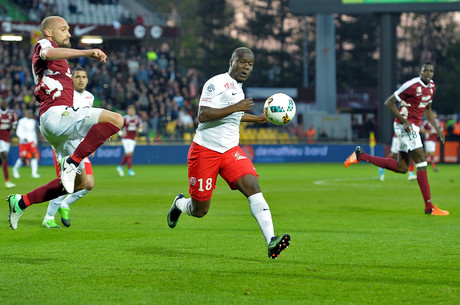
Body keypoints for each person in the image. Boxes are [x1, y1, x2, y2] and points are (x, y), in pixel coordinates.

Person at [167, 47, 290, 259]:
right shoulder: (216, 83)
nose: (246, 67)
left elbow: (233, 116)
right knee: (200, 210)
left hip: (230, 150)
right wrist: (237, 107)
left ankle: (271, 241)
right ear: (231, 61)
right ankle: (179, 203)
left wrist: (256, 118)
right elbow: (203, 115)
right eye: (242, 62)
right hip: (205, 151)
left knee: (253, 186)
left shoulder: (238, 89)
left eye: (250, 64)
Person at [7, 16, 124, 230]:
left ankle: (21, 202)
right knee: (117, 119)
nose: (69, 33)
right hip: (55, 116)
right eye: (64, 29)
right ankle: (72, 161)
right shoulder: (44, 44)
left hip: (60, 123)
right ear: (49, 32)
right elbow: (48, 53)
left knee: (78, 184)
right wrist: (87, 52)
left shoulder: (62, 63)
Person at [345, 61, 449, 216]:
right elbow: (389, 102)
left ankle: (361, 156)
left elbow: (427, 109)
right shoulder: (411, 85)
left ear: (433, 73)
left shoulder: (432, 87)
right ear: (420, 72)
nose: (428, 73)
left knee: (403, 168)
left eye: (430, 71)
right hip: (404, 125)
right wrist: (404, 120)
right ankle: (429, 208)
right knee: (421, 161)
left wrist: (435, 128)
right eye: (425, 70)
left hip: (412, 126)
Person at [42, 67, 96, 228]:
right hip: (66, 143)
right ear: (71, 79)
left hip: (81, 144)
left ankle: (64, 205)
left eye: (84, 76)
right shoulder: (65, 95)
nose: (81, 79)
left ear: (87, 79)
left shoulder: (89, 97)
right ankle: (48, 217)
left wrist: (91, 143)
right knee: (68, 183)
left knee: (89, 184)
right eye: (77, 76)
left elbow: (88, 120)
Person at [12, 109, 41, 179]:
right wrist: (23, 137)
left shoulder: (33, 121)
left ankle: (34, 173)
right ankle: (15, 170)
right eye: (28, 113)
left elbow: (33, 132)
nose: (29, 114)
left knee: (34, 156)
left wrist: (35, 141)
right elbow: (18, 131)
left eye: (30, 113)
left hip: (31, 141)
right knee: (23, 158)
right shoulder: (22, 121)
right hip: (24, 142)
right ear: (26, 113)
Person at [116, 105, 143, 177]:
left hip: (133, 138)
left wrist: (139, 130)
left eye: (132, 110)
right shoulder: (125, 118)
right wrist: (120, 133)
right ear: (128, 111)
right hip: (125, 138)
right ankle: (130, 170)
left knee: (128, 154)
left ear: (134, 111)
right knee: (129, 153)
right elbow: (118, 125)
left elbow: (141, 127)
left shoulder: (137, 118)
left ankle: (120, 166)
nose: (131, 112)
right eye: (130, 110)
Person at [0, 98, 18, 189]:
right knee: (5, 157)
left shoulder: (10, 113)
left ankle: (7, 180)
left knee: (3, 159)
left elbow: (14, 125)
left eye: (4, 102)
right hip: (0, 139)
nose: (3, 104)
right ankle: (7, 181)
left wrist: (12, 126)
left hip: (6, 139)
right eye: (2, 102)